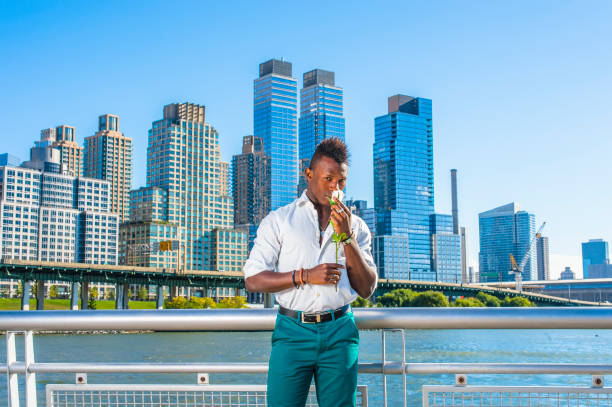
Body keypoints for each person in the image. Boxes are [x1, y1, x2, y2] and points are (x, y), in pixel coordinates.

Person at [244, 137, 378, 407]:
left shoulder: (357, 226)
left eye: (341, 182)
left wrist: (347, 237)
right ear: (308, 174)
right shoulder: (279, 220)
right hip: (292, 332)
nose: (335, 188)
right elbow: (253, 279)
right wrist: (304, 275)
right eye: (328, 179)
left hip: (340, 331)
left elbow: (366, 289)